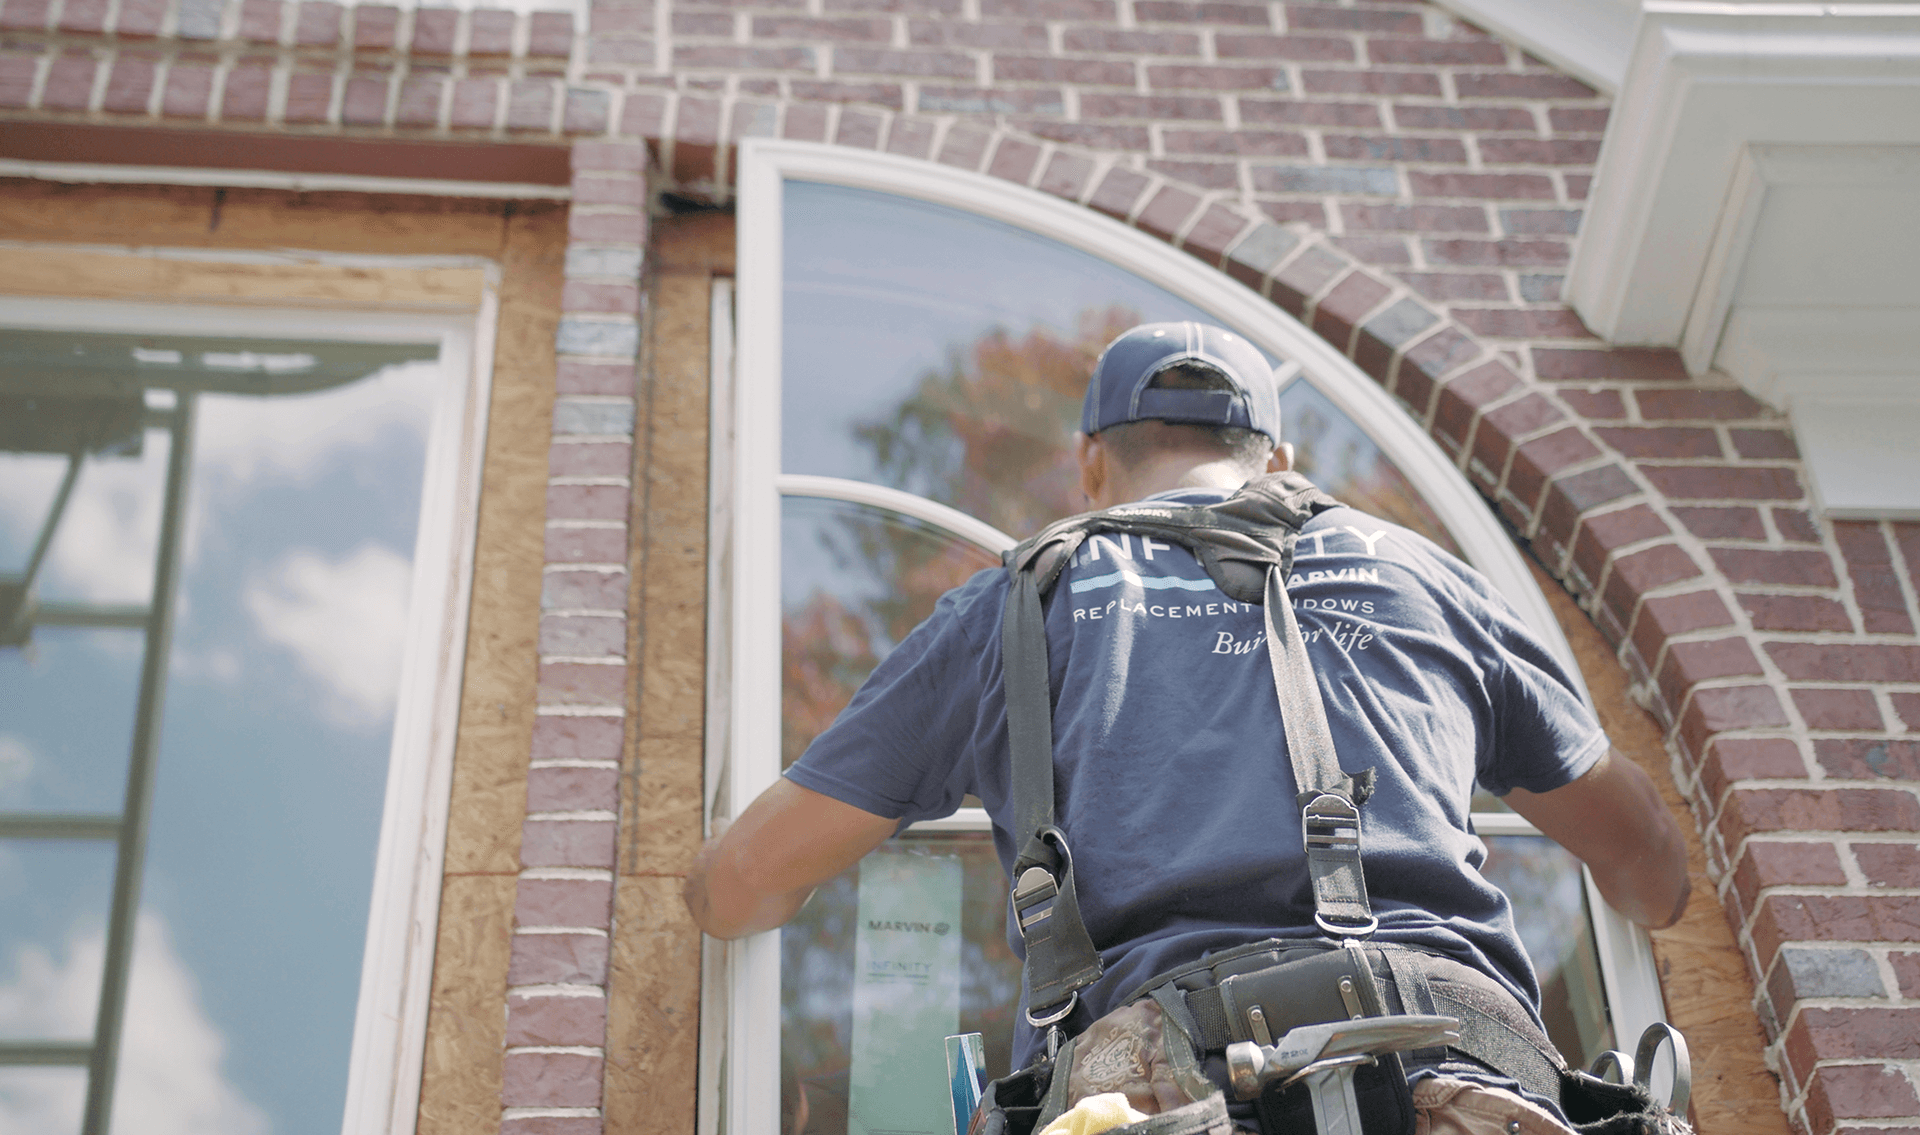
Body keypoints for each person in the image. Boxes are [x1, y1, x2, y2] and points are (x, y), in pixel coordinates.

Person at [683, 321, 1690, 1134]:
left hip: (1159, 1082)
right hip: (1464, 1064)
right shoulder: (1420, 575)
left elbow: (739, 885)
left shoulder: (1018, 607)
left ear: (1090, 464)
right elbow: (1653, 870)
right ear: (1276, 460)